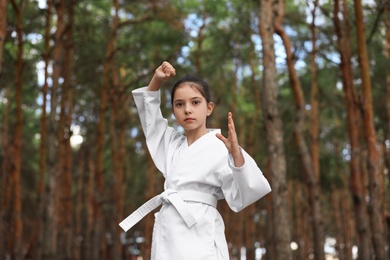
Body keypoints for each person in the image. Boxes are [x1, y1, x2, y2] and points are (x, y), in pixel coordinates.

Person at [119, 61, 271, 259]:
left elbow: (246, 192)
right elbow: (152, 123)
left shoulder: (221, 147)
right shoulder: (171, 144)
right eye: (179, 104)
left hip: (201, 229)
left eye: (195, 102)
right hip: (169, 227)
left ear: (209, 108)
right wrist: (157, 80)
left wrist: (236, 155)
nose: (187, 110)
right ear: (173, 111)